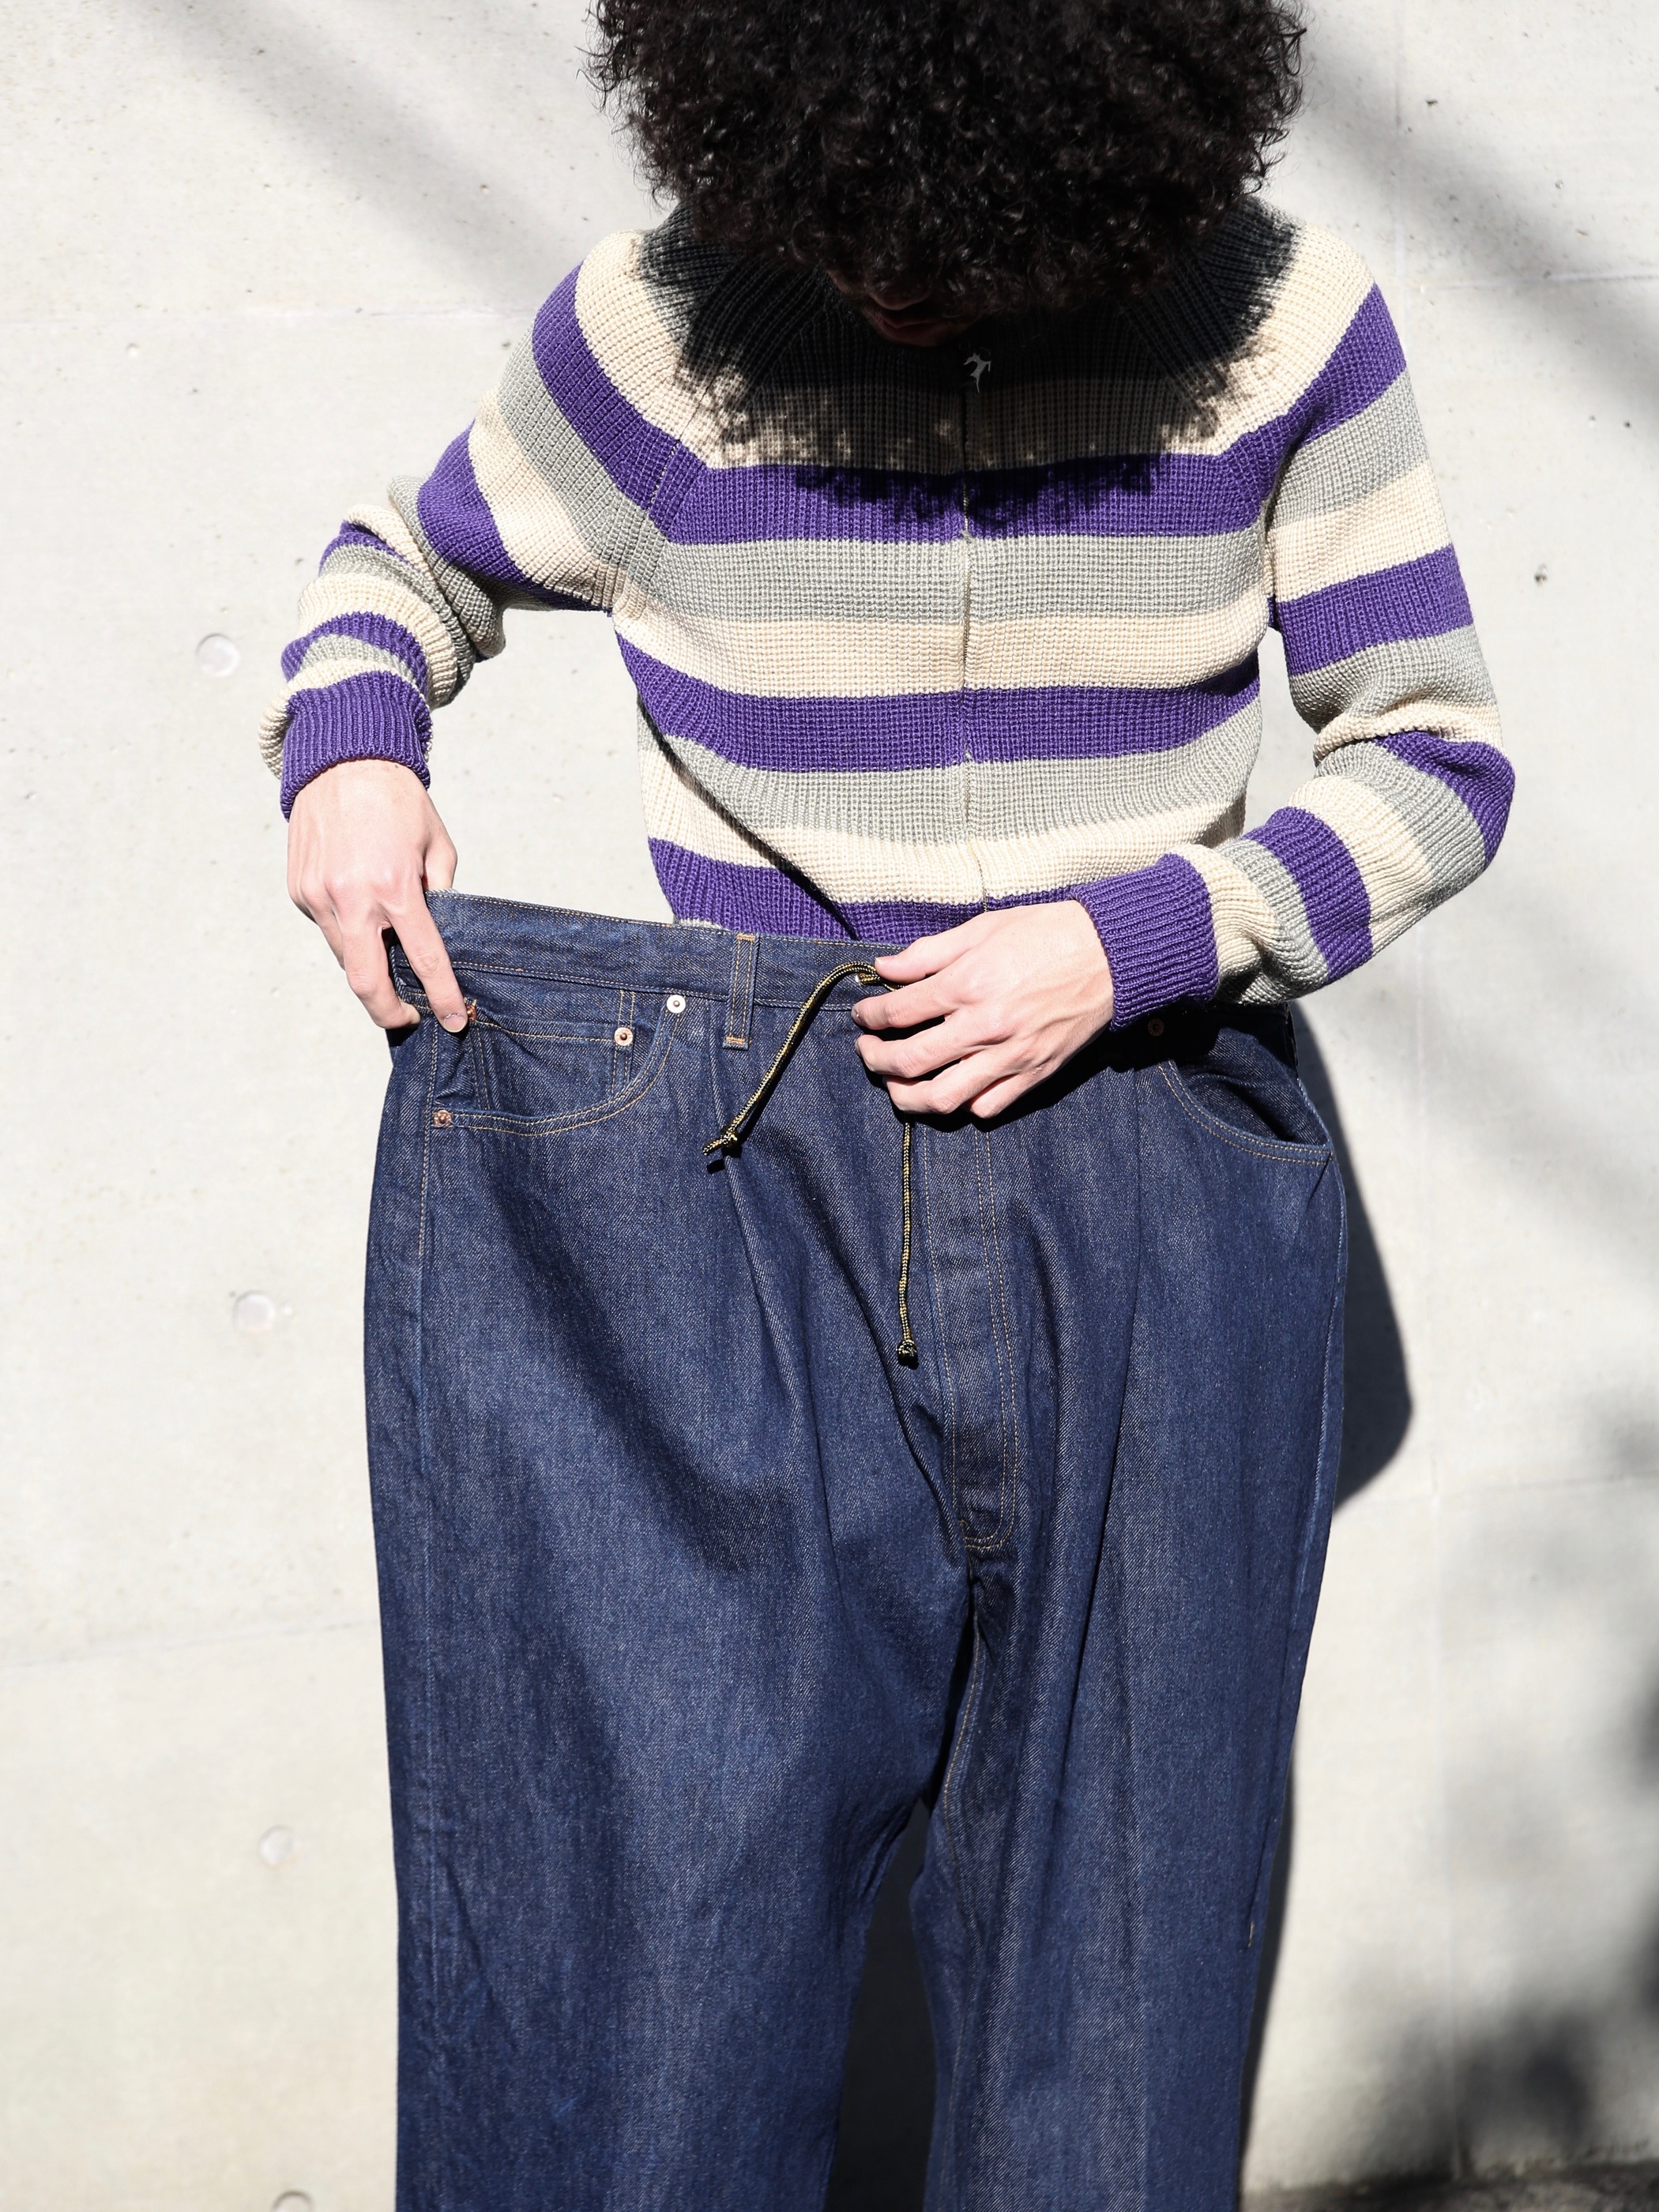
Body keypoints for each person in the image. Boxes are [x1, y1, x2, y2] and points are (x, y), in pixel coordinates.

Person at [267, 2, 1511, 2205]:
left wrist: (1133, 939)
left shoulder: (1281, 329)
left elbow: (1434, 755)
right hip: (729, 1186)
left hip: (1140, 1163)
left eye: (944, 252)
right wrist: (351, 754)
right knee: (646, 1983)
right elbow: (399, 561)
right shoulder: (669, 328)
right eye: (847, 239)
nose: (894, 292)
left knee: (1115, 2009)